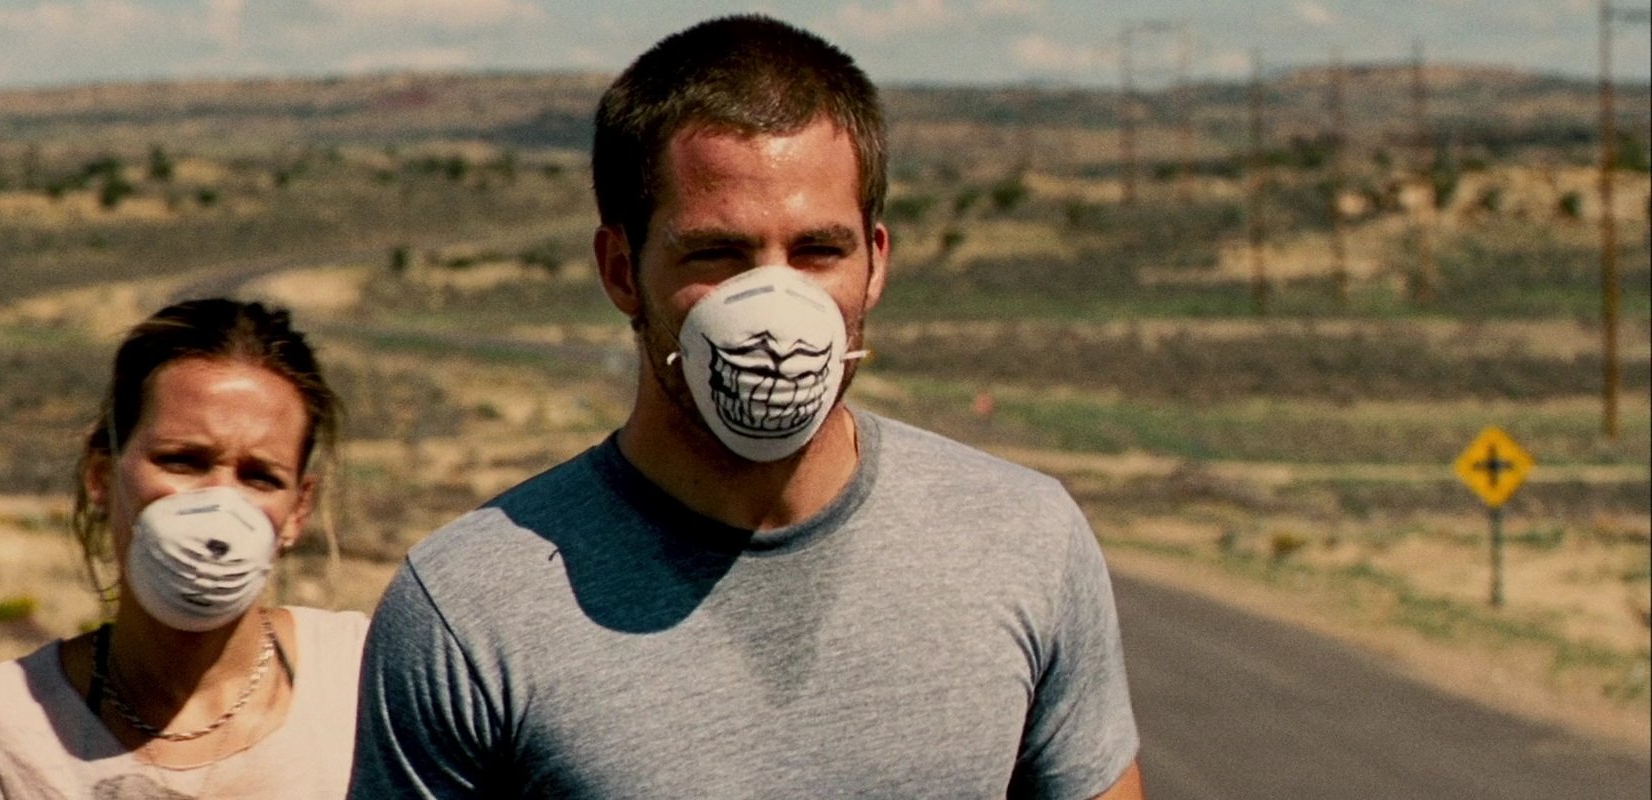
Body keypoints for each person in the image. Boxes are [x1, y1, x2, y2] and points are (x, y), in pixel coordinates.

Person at [349, 13, 1144, 800]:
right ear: (622, 269)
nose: (775, 314)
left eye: (818, 251)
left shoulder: (1026, 542)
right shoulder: (470, 611)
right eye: (718, 255)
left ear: (875, 264)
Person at [0, 298, 369, 798]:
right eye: (182, 461)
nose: (220, 505)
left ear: (298, 510)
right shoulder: (7, 729)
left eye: (260, 477)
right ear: (101, 475)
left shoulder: (369, 679)